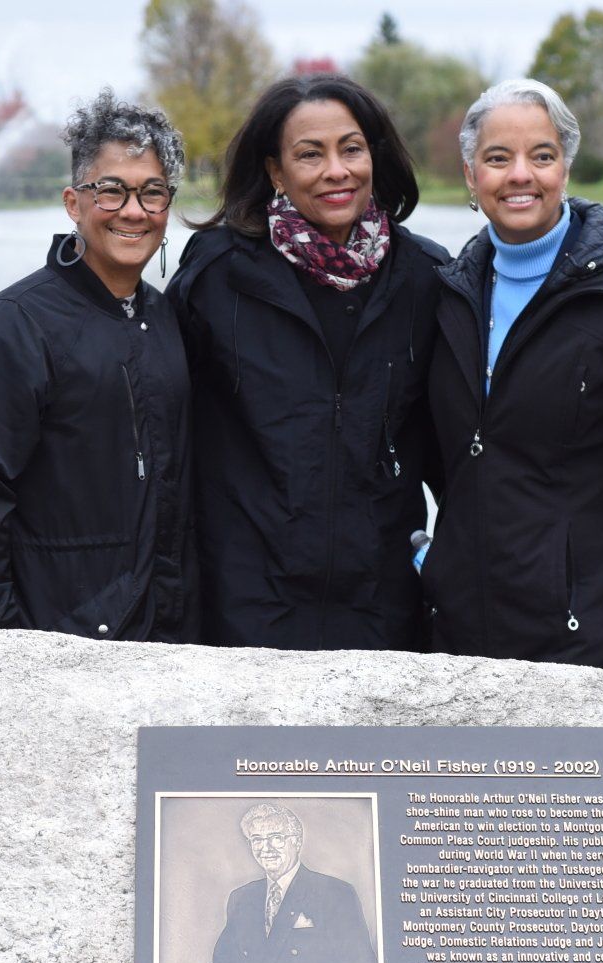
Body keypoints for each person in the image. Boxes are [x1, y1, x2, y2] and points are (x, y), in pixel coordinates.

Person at [421, 79, 603, 676]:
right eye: (498, 159)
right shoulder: (452, 292)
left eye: (542, 156)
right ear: (471, 177)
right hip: (459, 640)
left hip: (589, 649)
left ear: (566, 168)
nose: (520, 175)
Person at [167, 75, 450, 650]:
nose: (336, 171)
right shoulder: (217, 274)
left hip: (384, 606)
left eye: (351, 148)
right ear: (275, 171)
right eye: (309, 154)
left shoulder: (427, 276)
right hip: (245, 606)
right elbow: (164, 427)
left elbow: (454, 446)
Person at [0, 90, 195, 642]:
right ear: (73, 202)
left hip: (163, 633)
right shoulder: (19, 322)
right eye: (112, 190)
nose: (134, 210)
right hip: (51, 633)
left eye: (153, 193)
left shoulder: (165, 317)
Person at [207, 802, 377, 963]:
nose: (265, 848)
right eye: (257, 839)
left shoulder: (335, 893)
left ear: (296, 841)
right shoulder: (242, 898)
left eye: (276, 838)